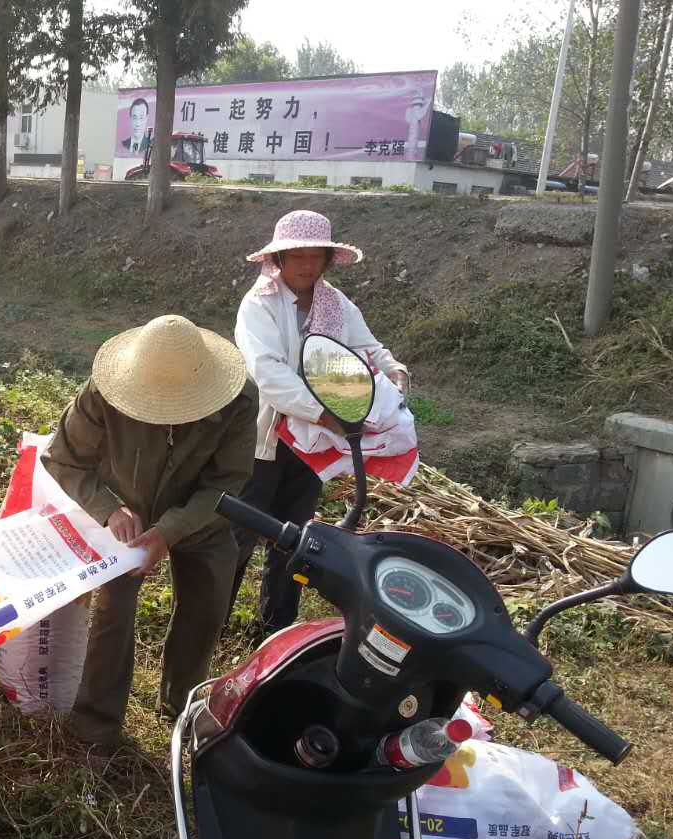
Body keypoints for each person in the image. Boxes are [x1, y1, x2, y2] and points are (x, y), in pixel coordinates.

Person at [42, 315, 257, 746]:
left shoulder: (238, 399)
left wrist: (169, 532)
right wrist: (110, 509)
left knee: (207, 605)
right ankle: (96, 728)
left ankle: (182, 705)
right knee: (112, 614)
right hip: (127, 517)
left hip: (202, 512)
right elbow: (63, 459)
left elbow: (226, 483)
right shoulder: (104, 392)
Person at [230, 210, 409, 636]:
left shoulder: (337, 305)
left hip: (312, 445)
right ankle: (213, 618)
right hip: (265, 439)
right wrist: (322, 411)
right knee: (242, 533)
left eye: (316, 257)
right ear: (279, 259)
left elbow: (369, 349)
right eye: (298, 257)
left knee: (295, 537)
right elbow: (267, 372)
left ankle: (275, 629)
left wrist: (395, 370)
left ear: (328, 260)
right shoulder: (261, 305)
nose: (307, 266)